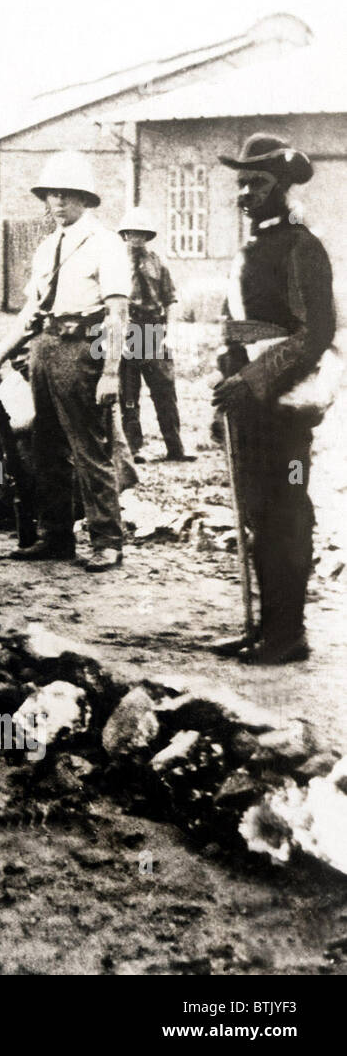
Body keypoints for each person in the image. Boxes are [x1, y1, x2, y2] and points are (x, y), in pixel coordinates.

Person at [210, 134, 335, 664]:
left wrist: (253, 379)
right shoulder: (250, 249)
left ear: (282, 187)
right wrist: (229, 371)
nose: (245, 193)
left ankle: (289, 635)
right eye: (240, 183)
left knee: (287, 512)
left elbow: (314, 333)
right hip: (249, 404)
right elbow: (238, 326)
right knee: (259, 513)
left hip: (284, 406)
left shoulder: (302, 247)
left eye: (256, 183)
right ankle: (263, 628)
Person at [0, 151, 131, 572]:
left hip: (83, 347)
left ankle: (107, 540)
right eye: (51, 195)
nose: (58, 202)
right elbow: (30, 309)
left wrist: (110, 372)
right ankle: (56, 536)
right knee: (45, 445)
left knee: (88, 447)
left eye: (67, 195)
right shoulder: (48, 246)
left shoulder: (106, 243)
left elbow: (117, 313)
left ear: (85, 198)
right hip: (44, 346)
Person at [116, 207, 192, 462]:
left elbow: (171, 300)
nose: (135, 239)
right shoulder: (114, 263)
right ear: (124, 235)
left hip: (154, 330)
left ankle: (175, 448)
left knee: (165, 391)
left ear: (147, 236)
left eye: (140, 234)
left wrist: (170, 332)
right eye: (130, 234)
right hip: (128, 329)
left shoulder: (159, 263)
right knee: (128, 395)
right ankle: (133, 450)